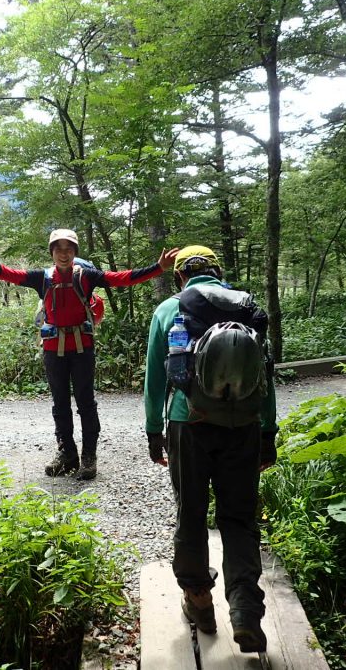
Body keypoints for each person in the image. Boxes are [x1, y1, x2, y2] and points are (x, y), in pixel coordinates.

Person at [142, 245, 278, 653]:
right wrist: (267, 433)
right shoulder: (245, 307)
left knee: (192, 510)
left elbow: (155, 376)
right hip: (243, 426)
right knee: (239, 518)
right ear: (217, 272)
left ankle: (199, 602)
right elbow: (265, 376)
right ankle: (245, 611)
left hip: (189, 423)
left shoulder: (169, 309)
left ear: (182, 276)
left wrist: (154, 431)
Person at [0, 229, 178, 480]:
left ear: (75, 253)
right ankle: (67, 454)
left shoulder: (86, 276)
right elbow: (7, 273)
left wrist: (157, 268)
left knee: (86, 402)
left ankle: (89, 457)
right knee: (60, 403)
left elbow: (121, 278)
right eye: (58, 249)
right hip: (53, 349)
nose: (63, 254)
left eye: (69, 249)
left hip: (82, 347)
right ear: (52, 252)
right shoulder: (41, 278)